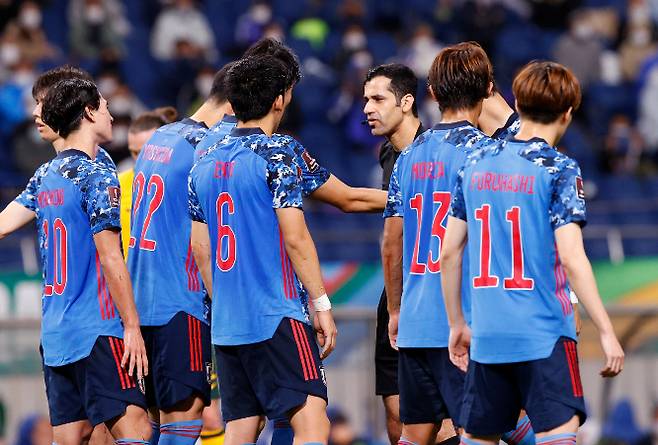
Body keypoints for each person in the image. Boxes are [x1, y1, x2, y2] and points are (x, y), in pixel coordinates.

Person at [440, 60, 625, 445]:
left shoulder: (474, 163)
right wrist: (606, 331)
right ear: (569, 112)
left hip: (488, 337)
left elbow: (449, 252)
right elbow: (572, 257)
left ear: (517, 105)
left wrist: (457, 323)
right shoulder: (559, 169)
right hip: (544, 335)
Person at [188, 55, 337, 445]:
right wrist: (321, 303)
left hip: (228, 320)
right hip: (276, 313)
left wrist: (225, 303)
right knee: (311, 421)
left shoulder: (203, 158)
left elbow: (200, 248)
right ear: (280, 100)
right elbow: (295, 236)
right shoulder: (276, 153)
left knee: (241, 427)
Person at [381, 42, 502, 445]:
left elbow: (391, 243)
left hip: (415, 322)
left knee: (415, 434)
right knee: (478, 431)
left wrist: (395, 310)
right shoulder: (487, 154)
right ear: (488, 89)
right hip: (464, 323)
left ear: (431, 92)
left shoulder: (408, 157)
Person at [20, 77, 150, 445]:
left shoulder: (45, 176)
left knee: (72, 435)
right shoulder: (97, 175)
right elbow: (110, 257)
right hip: (99, 327)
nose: (111, 113)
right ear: (90, 112)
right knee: (135, 428)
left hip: (56, 332)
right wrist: (132, 326)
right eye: (106, 107)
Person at [126, 61, 234, 445]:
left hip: (142, 303)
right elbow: (203, 241)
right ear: (233, 107)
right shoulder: (207, 148)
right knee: (183, 424)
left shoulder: (160, 137)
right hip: (181, 303)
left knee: (150, 424)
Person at [196, 38, 387, 215]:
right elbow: (346, 199)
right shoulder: (281, 150)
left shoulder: (205, 145)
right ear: (281, 96)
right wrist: (410, 198)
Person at [361, 63, 424, 445]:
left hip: (432, 289)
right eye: (366, 99)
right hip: (395, 294)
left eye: (378, 99)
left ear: (406, 102)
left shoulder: (434, 150)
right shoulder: (389, 152)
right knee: (396, 411)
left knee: (443, 415)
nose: (368, 108)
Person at [118, 107, 178, 255]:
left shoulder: (179, 184)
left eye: (146, 151)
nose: (139, 159)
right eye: (134, 152)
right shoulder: (117, 184)